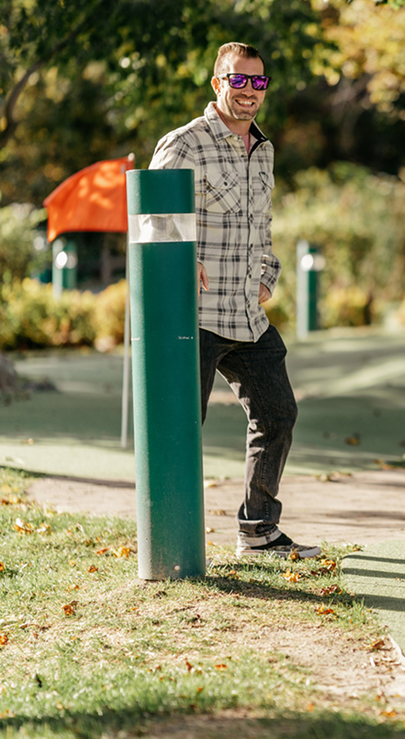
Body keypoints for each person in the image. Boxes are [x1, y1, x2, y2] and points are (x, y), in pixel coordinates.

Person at [150, 42, 317, 559]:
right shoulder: (185, 143)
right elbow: (152, 216)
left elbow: (260, 223)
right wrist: (182, 260)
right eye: (238, 80)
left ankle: (259, 530)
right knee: (181, 427)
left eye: (257, 82)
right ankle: (169, 542)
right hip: (194, 315)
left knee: (278, 413)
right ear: (217, 82)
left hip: (247, 314)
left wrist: (268, 272)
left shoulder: (263, 149)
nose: (248, 91)